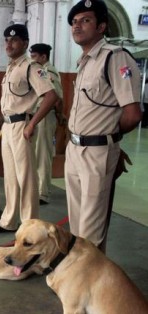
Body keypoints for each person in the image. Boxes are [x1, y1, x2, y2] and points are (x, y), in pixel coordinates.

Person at [65, 0, 142, 252]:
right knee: (76, 223)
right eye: (74, 22)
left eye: (85, 20)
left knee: (91, 228)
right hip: (74, 149)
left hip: (97, 153)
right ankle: (77, 275)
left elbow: (132, 114)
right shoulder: (85, 61)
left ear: (101, 26)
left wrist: (110, 139)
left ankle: (89, 282)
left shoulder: (114, 57)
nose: (77, 26)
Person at [0, 24, 59, 233]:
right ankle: (8, 221)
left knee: (26, 176)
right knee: (10, 176)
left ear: (24, 44)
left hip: (22, 126)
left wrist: (32, 123)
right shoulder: (11, 67)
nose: (9, 44)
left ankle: (29, 226)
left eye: (14, 40)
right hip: (8, 126)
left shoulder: (31, 67)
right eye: (6, 40)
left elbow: (51, 95)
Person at [29, 43, 66, 205]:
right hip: (36, 115)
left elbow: (57, 97)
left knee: (43, 153)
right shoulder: (38, 71)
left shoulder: (48, 72)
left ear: (43, 57)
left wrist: (59, 115)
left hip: (45, 116)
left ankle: (43, 192)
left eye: (35, 56)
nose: (32, 60)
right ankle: (37, 188)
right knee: (36, 153)